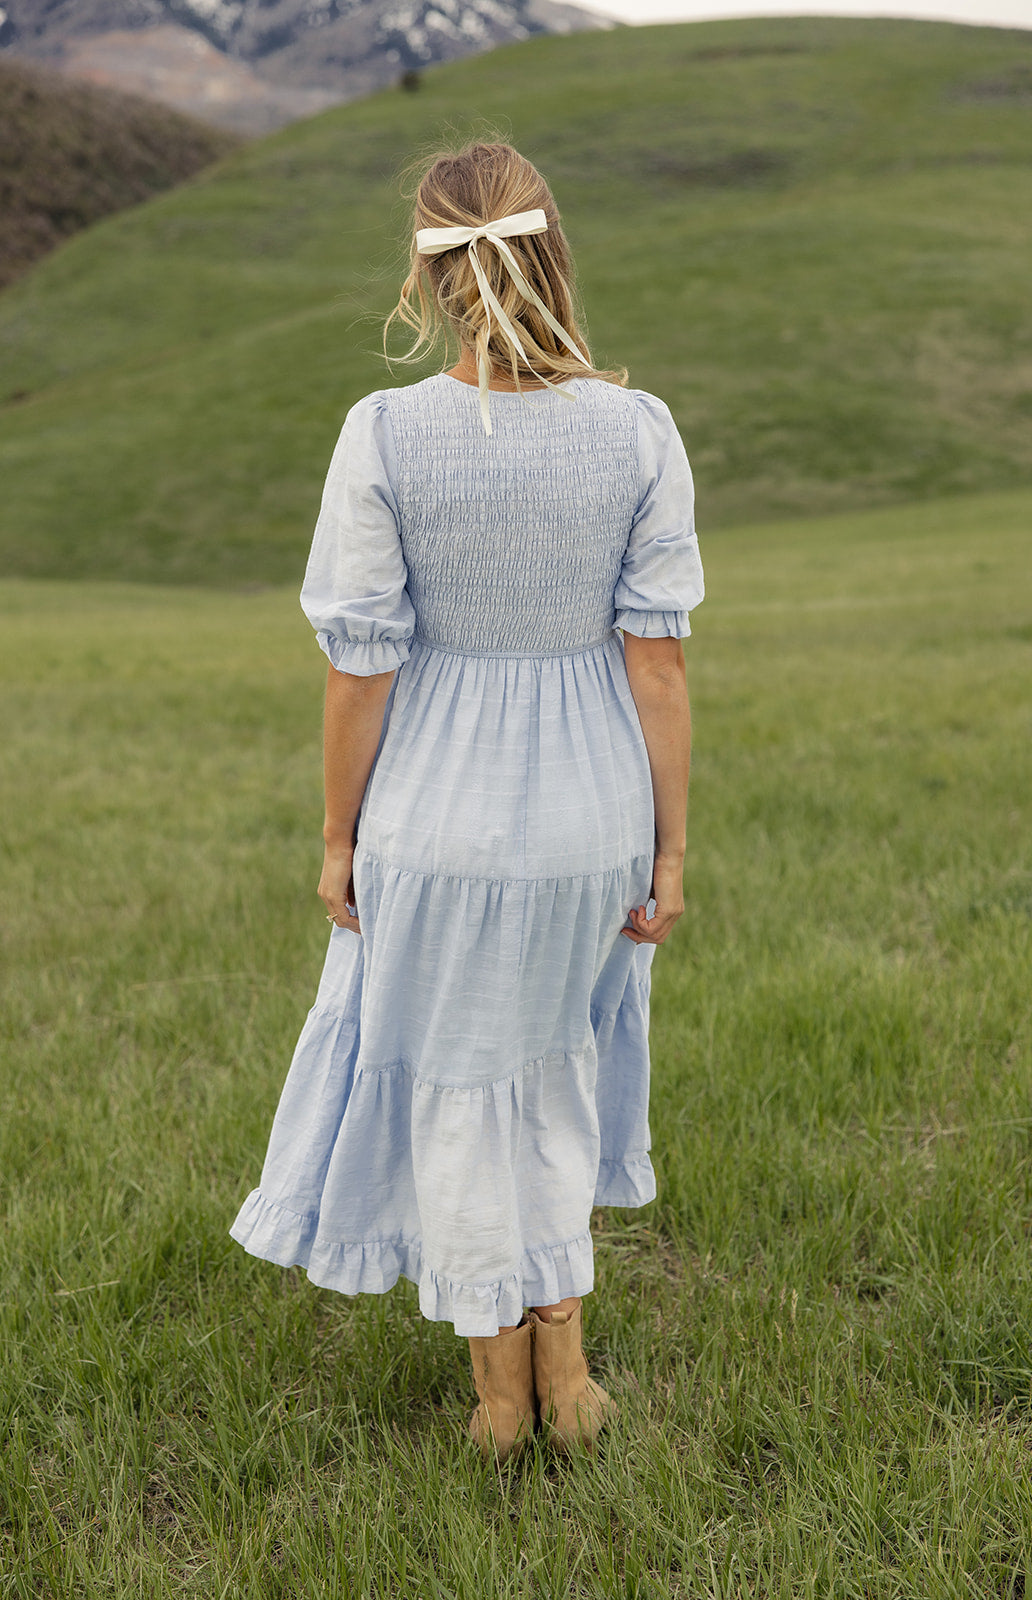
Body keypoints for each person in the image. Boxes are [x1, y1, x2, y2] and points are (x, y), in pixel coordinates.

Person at [230, 140, 704, 1461]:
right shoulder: (638, 429)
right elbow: (656, 666)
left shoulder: (384, 433)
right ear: (557, 255)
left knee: (454, 1092)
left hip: (429, 818)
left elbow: (357, 670)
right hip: (587, 818)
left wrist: (339, 838)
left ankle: (500, 1399)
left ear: (426, 277)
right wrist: (669, 847)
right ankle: (571, 1375)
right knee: (555, 1075)